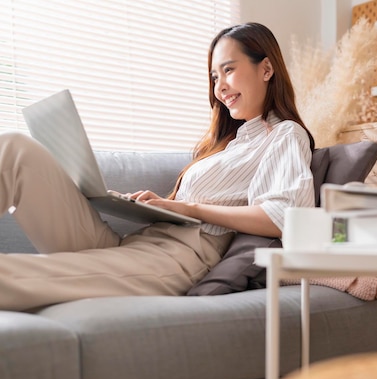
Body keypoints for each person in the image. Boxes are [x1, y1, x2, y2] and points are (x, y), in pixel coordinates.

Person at [0, 22, 315, 311]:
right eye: (215, 77)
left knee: (13, 274)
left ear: (267, 68)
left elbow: (283, 217)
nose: (220, 87)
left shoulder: (285, 134)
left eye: (228, 70)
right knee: (15, 148)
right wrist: (153, 206)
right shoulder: (228, 144)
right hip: (138, 244)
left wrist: (190, 209)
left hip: (177, 259)